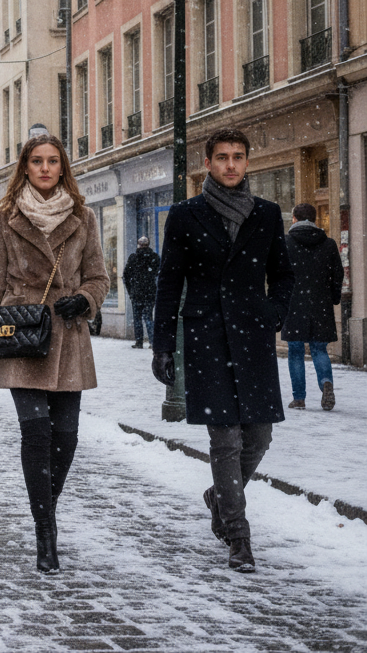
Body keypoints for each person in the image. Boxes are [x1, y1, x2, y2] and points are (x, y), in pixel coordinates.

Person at [152, 128, 293, 573]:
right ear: (208, 163)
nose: (231, 164)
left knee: (260, 435)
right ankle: (238, 535)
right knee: (225, 439)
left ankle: (219, 495)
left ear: (247, 162)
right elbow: (169, 284)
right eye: (222, 157)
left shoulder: (267, 215)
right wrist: (162, 347)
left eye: (238, 157)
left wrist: (273, 313)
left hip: (252, 340)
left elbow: (284, 275)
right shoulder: (186, 215)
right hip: (206, 338)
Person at [0, 134, 109, 574]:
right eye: (37, 161)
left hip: (68, 337)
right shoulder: (2, 220)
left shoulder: (83, 217)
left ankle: (44, 511)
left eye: (53, 161)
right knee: (36, 433)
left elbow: (99, 277)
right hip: (22, 336)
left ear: (63, 167)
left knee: (65, 438)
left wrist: (85, 299)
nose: (46, 168)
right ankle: (45, 530)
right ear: (25, 167)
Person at [282, 203, 344, 411]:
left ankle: (299, 398)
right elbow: (338, 274)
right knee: (319, 349)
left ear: (294, 219)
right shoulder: (329, 244)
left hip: (293, 303)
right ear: (315, 219)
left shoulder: (286, 243)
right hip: (320, 304)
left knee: (296, 350)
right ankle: (326, 381)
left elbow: (277, 276)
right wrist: (333, 297)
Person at [122, 236, 161, 349]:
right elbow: (158, 273)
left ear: (138, 245)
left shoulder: (134, 258)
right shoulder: (154, 257)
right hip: (149, 293)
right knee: (148, 317)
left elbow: (126, 275)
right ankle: (152, 342)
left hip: (137, 293)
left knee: (137, 318)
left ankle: (139, 342)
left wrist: (131, 291)